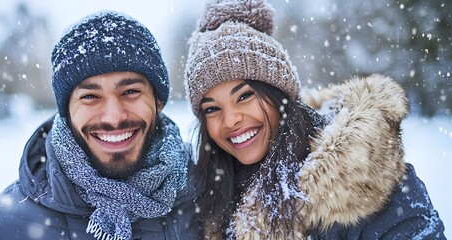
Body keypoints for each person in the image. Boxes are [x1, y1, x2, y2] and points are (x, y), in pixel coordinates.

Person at [184, 0, 446, 239]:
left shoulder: (364, 175)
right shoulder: (212, 195)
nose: (230, 120)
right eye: (211, 109)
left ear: (279, 96)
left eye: (244, 96)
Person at [0, 11, 200, 240]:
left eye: (131, 91)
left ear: (158, 101)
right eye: (90, 97)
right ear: (67, 112)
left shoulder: (213, 197)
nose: (113, 117)